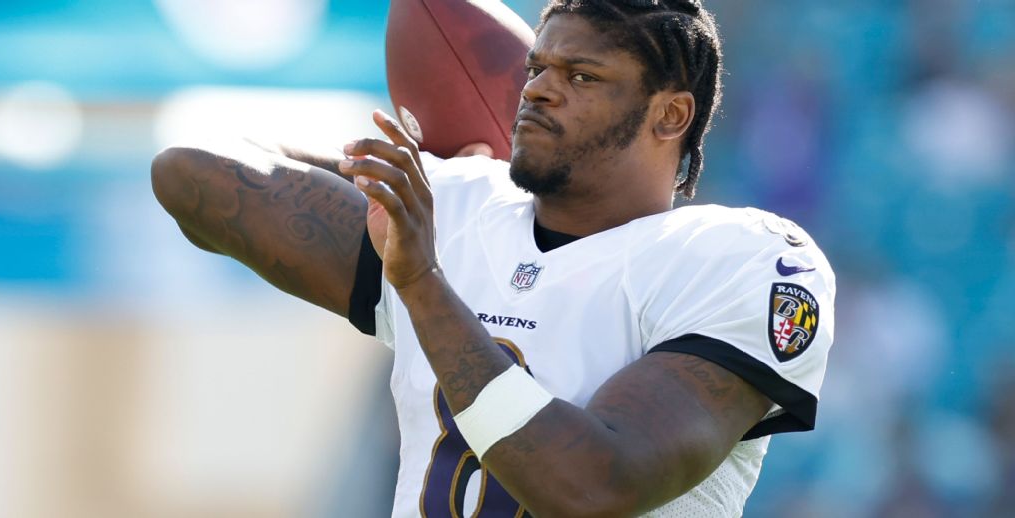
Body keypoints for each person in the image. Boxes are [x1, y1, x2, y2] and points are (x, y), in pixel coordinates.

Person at [150, 0, 835, 516]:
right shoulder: (459, 209)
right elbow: (190, 174)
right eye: (536, 67)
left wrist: (422, 282)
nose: (537, 89)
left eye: (582, 75)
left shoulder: (742, 262)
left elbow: (593, 485)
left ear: (670, 115)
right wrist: (392, 172)